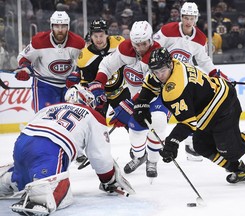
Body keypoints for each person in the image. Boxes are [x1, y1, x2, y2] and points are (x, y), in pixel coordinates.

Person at [133, 47, 245, 184]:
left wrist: (172, 143)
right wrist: (142, 103)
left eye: (162, 71)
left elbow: (188, 124)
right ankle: (239, 171)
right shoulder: (172, 65)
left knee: (232, 152)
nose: (159, 76)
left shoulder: (175, 89)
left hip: (223, 106)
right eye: (156, 71)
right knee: (201, 145)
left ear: (170, 65)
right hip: (207, 108)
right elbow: (150, 84)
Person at [0, 84, 134, 215]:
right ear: (87, 100)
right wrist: (108, 179)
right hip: (51, 147)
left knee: (22, 174)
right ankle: (42, 194)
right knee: (55, 190)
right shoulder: (93, 114)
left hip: (22, 143)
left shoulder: (50, 107)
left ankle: (10, 178)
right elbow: (99, 156)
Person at [89, 21, 170, 179]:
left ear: (150, 40)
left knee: (158, 124)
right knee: (135, 133)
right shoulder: (126, 49)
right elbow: (107, 65)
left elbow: (151, 85)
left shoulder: (157, 54)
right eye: (136, 44)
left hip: (158, 96)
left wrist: (130, 104)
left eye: (144, 44)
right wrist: (99, 81)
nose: (140, 48)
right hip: (136, 98)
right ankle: (139, 156)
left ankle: (152, 161)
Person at [153, 2, 226, 161]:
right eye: (185, 17)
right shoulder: (168, 30)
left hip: (183, 80)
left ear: (196, 19)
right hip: (161, 77)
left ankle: (190, 146)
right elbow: (153, 49)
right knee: (157, 114)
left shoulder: (200, 38)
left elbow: (203, 60)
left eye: (191, 18)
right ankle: (148, 145)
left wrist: (215, 74)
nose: (188, 21)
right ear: (181, 17)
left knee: (190, 113)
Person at [14, 11, 85, 113]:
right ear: (51, 27)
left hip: (69, 85)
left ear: (68, 27)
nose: (60, 30)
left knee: (71, 119)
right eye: (57, 26)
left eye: (63, 26)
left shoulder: (78, 43)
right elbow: (24, 57)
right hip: (45, 85)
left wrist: (77, 73)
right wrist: (24, 68)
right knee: (44, 118)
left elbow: (86, 63)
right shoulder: (39, 41)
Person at [66, 19, 130, 117]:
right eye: (95, 36)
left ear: (107, 34)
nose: (99, 39)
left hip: (121, 91)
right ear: (91, 36)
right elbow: (86, 84)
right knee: (97, 125)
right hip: (99, 96)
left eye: (101, 36)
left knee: (132, 122)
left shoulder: (119, 43)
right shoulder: (85, 57)